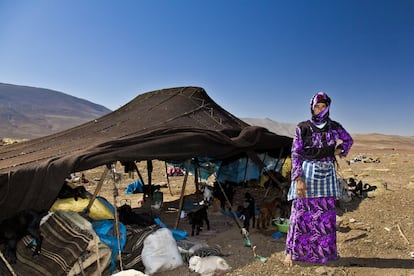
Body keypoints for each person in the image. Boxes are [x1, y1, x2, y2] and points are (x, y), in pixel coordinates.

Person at [284, 92, 353, 266]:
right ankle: (291, 253)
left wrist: (338, 151)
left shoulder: (334, 126)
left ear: (328, 108)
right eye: (317, 106)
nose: (320, 109)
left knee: (325, 217)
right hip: (306, 173)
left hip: (327, 175)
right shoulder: (303, 127)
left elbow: (348, 140)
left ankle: (323, 254)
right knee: (300, 214)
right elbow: (296, 153)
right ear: (312, 107)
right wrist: (298, 179)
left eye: (323, 106)